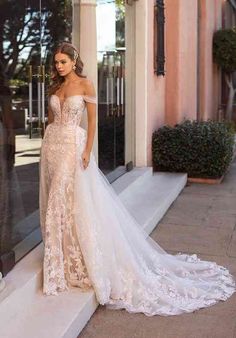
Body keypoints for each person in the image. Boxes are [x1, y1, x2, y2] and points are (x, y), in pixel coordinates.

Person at [39, 42, 235, 316]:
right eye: (56, 62)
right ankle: (60, 256)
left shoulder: (85, 85)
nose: (59, 66)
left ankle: (66, 263)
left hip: (73, 146)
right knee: (58, 201)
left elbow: (93, 121)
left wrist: (87, 152)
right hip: (52, 146)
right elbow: (51, 120)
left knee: (62, 200)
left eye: (63, 62)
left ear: (74, 61)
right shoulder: (56, 88)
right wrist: (46, 146)